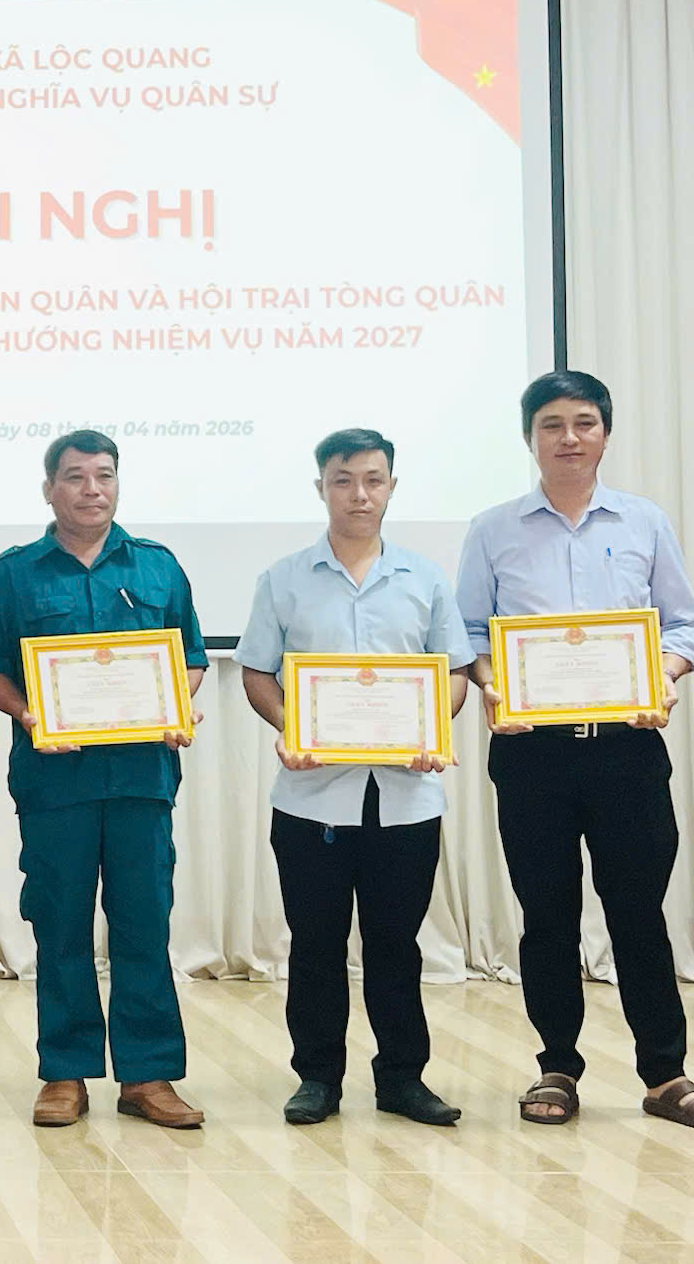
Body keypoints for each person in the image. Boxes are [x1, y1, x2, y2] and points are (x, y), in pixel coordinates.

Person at [457, 370, 694, 1132]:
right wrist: (494, 686)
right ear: (529, 438)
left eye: (584, 423)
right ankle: (556, 1066)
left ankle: (665, 1073)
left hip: (626, 752)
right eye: (552, 424)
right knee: (547, 916)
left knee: (638, 913)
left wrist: (664, 677)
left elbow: (685, 624)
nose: (569, 438)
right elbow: (470, 633)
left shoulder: (644, 522)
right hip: (532, 756)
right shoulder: (492, 529)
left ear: (605, 433)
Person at [0, 429, 208, 1130]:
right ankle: (64, 1073)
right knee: (60, 924)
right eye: (75, 477)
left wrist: (176, 704)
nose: (91, 489)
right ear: (50, 489)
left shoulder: (158, 566)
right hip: (54, 781)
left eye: (104, 475)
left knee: (143, 924)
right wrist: (28, 713)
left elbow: (191, 656)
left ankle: (148, 1076)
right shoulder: (14, 574)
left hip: (140, 779)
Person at [233, 428, 471, 1128]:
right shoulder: (282, 579)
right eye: (343, 480)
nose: (359, 494)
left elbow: (455, 674)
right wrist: (290, 727)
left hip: (407, 798)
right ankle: (317, 1078)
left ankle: (402, 1078)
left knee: (397, 947)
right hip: (312, 799)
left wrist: (433, 731)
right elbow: (256, 673)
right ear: (322, 488)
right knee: (316, 946)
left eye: (373, 480)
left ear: (391, 487)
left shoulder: (425, 579)